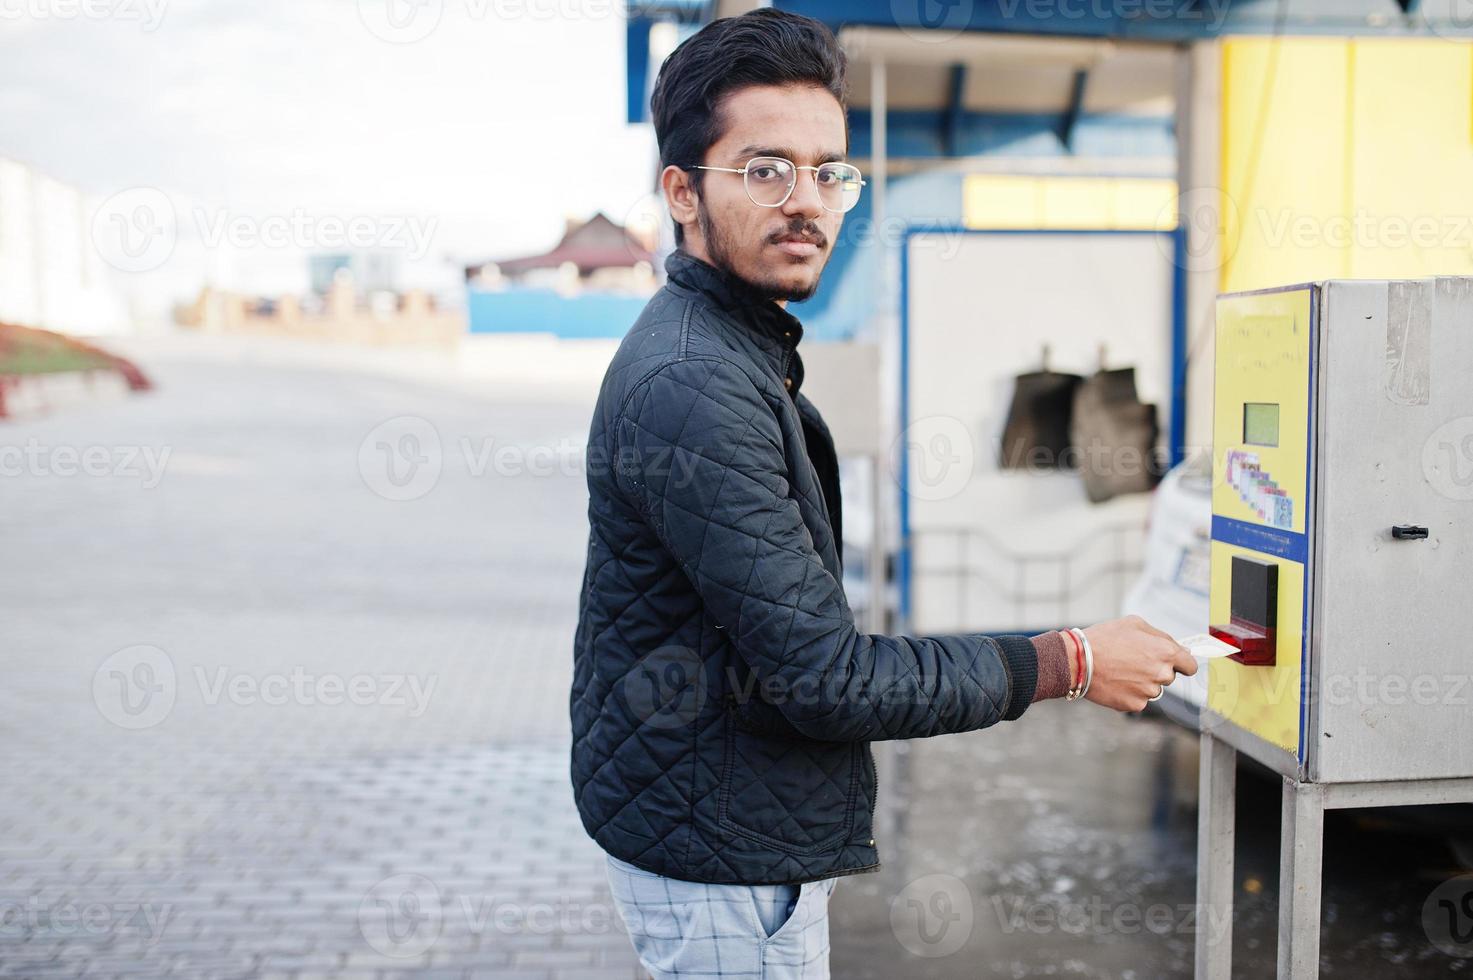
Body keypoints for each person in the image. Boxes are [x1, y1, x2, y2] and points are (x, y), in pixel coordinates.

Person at [569, 9, 1198, 978]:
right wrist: (1066, 659)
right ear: (683, 191)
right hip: (723, 859)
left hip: (722, 816)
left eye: (831, 170)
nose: (808, 201)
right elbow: (826, 677)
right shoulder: (695, 381)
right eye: (766, 168)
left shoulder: (734, 348)